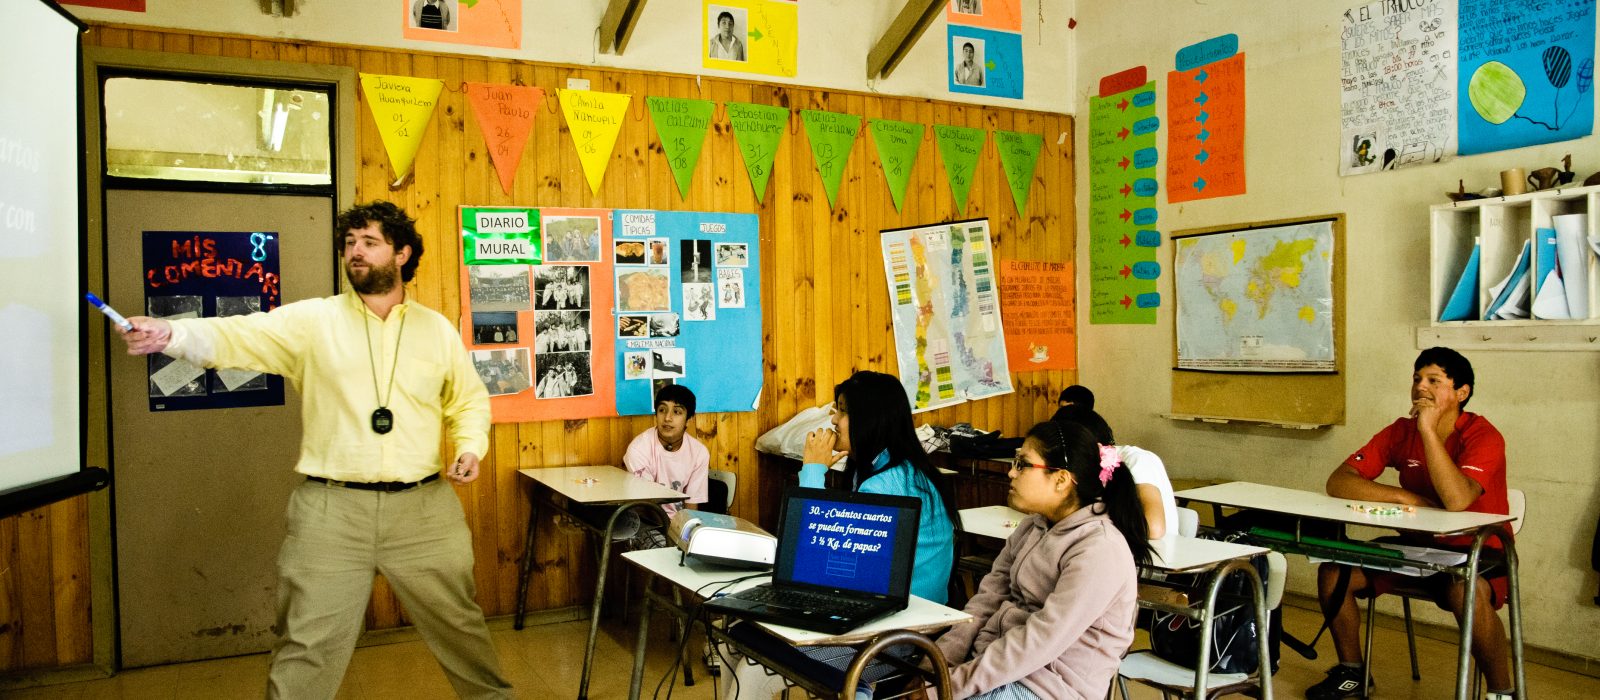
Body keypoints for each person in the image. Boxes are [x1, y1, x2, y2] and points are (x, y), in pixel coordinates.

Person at [115, 201, 511, 699]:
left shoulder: (436, 330)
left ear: (402, 253)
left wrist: (471, 446)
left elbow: (468, 400)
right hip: (330, 510)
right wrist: (170, 332)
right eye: (349, 244)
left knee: (463, 630)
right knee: (305, 644)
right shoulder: (313, 320)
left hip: (425, 509)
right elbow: (236, 335)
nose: (356, 252)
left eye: (370, 242)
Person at [1308, 347, 1512, 700]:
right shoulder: (1400, 431)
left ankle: (1502, 691)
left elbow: (1457, 499)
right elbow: (1339, 481)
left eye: (1434, 380)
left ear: (1461, 393)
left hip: (1480, 553)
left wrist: (1429, 431)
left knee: (1464, 592)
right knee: (1333, 572)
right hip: (1418, 550)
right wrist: (1406, 498)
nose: (1421, 387)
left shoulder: (1483, 435)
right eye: (1417, 378)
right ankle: (1353, 673)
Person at [937, 421, 1151, 699]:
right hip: (994, 667)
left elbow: (1040, 642)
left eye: (1023, 464)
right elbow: (984, 601)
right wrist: (938, 666)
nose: (1011, 472)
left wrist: (949, 686)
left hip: (1049, 687)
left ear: (1061, 479)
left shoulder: (1100, 549)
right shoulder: (1032, 527)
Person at [1053, 405, 1176, 544]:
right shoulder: (1082, 467)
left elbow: (1154, 529)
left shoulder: (1137, 460)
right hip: (1106, 547)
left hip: (1153, 556)